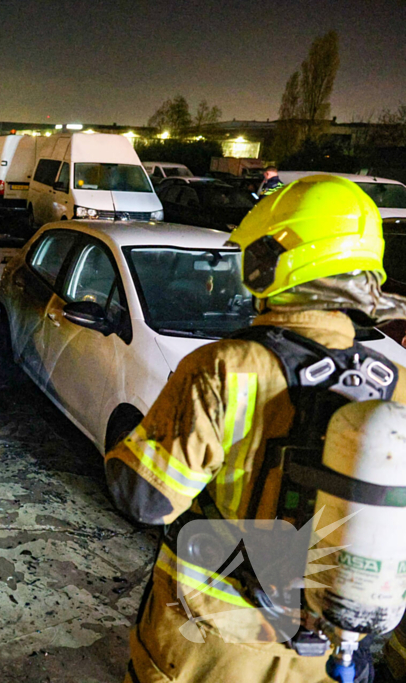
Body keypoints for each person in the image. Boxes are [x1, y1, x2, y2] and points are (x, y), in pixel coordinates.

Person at [104, 175, 406, 683]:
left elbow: (144, 498)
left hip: (211, 649)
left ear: (276, 260)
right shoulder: (397, 383)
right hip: (326, 659)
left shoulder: (224, 366)